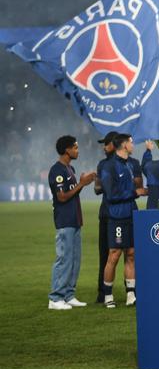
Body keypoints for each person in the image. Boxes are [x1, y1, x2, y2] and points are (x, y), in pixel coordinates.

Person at [48, 136, 96, 310]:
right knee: (64, 259)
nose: (78, 150)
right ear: (67, 150)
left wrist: (83, 183)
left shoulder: (70, 168)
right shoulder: (57, 170)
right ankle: (55, 298)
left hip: (75, 219)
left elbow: (72, 192)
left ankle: (68, 295)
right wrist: (81, 183)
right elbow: (61, 197)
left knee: (75, 260)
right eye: (75, 147)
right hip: (64, 221)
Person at [100, 133, 147, 308]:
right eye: (131, 142)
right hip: (117, 216)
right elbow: (111, 195)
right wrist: (136, 193)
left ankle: (130, 295)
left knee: (132, 254)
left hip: (131, 214)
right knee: (114, 255)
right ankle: (107, 296)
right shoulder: (109, 166)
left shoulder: (129, 164)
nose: (133, 144)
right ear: (124, 145)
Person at [92, 131, 117, 303]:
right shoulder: (102, 164)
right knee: (104, 254)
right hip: (106, 215)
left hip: (122, 214)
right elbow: (96, 189)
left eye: (106, 143)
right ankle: (102, 292)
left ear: (114, 144)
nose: (104, 147)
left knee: (130, 253)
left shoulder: (129, 163)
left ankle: (132, 290)